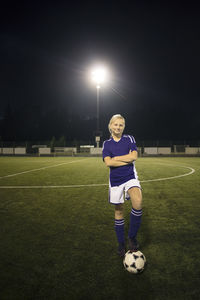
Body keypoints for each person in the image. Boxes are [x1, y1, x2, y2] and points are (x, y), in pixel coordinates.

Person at [102, 114, 142, 257]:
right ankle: (121, 243)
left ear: (123, 127)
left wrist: (117, 158)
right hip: (116, 179)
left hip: (130, 176)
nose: (118, 127)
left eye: (121, 125)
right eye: (116, 124)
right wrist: (126, 159)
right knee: (119, 211)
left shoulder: (129, 138)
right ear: (110, 126)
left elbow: (134, 156)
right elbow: (108, 163)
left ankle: (131, 237)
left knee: (137, 201)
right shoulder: (107, 143)